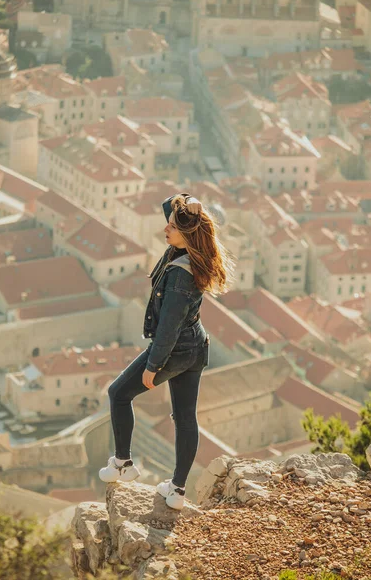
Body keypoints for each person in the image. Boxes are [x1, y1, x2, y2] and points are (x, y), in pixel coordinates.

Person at [99, 192, 235, 510]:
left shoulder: (179, 275)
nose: (165, 229)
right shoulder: (191, 255)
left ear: (185, 234)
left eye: (172, 227)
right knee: (185, 418)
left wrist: (153, 366)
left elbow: (168, 328)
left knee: (118, 393)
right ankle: (177, 490)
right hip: (197, 348)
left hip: (174, 351)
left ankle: (122, 464)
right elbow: (168, 206)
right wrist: (189, 203)